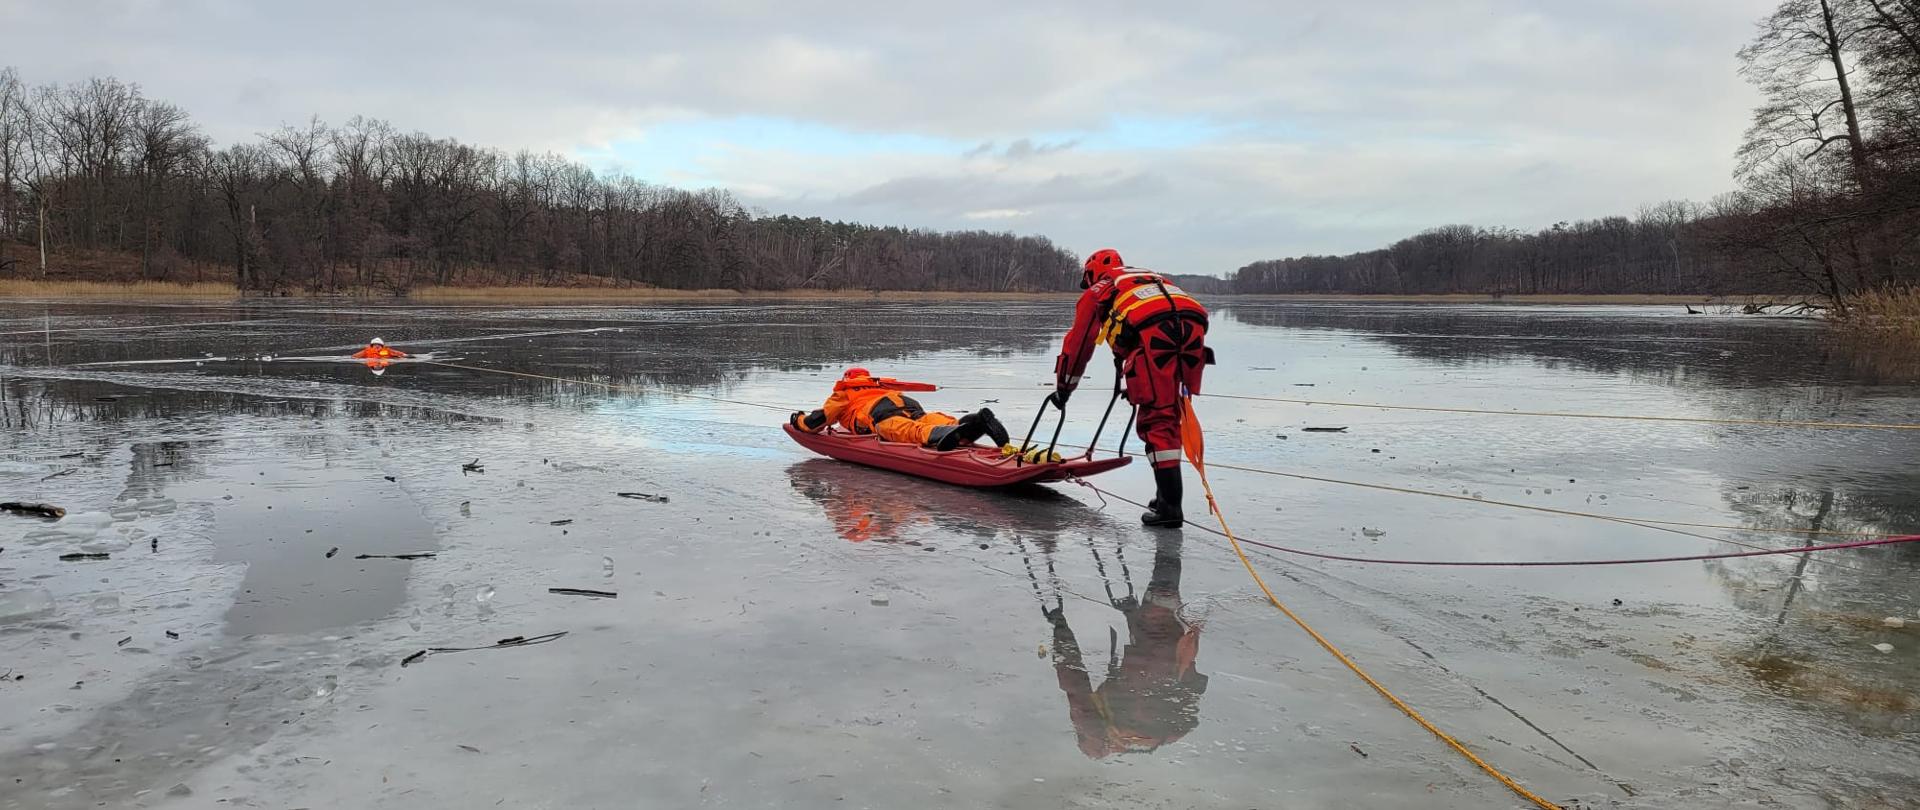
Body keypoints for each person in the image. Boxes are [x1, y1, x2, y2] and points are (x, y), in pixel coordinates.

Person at [1053, 249, 1213, 527]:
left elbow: (1078, 346)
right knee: (1169, 413)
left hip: (1158, 334)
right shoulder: (1147, 278)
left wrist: (1064, 388)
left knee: (1157, 421)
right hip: (1193, 330)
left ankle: (1170, 509)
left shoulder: (1098, 291)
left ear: (1090, 275)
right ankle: (1165, 497)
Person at [1046, 534, 1207, 758]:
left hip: (1172, 643)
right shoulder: (1096, 732)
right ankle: (1169, 521)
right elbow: (1073, 683)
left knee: (1164, 589)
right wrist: (1060, 630)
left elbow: (1192, 688)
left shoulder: (1166, 734)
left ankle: (1169, 527)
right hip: (1156, 641)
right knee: (1161, 597)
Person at [791, 368, 1013, 451]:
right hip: (905, 402)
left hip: (879, 413)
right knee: (927, 418)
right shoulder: (877, 385)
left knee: (907, 430)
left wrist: (798, 420)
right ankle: (972, 423)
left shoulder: (844, 392)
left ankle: (942, 436)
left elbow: (818, 420)